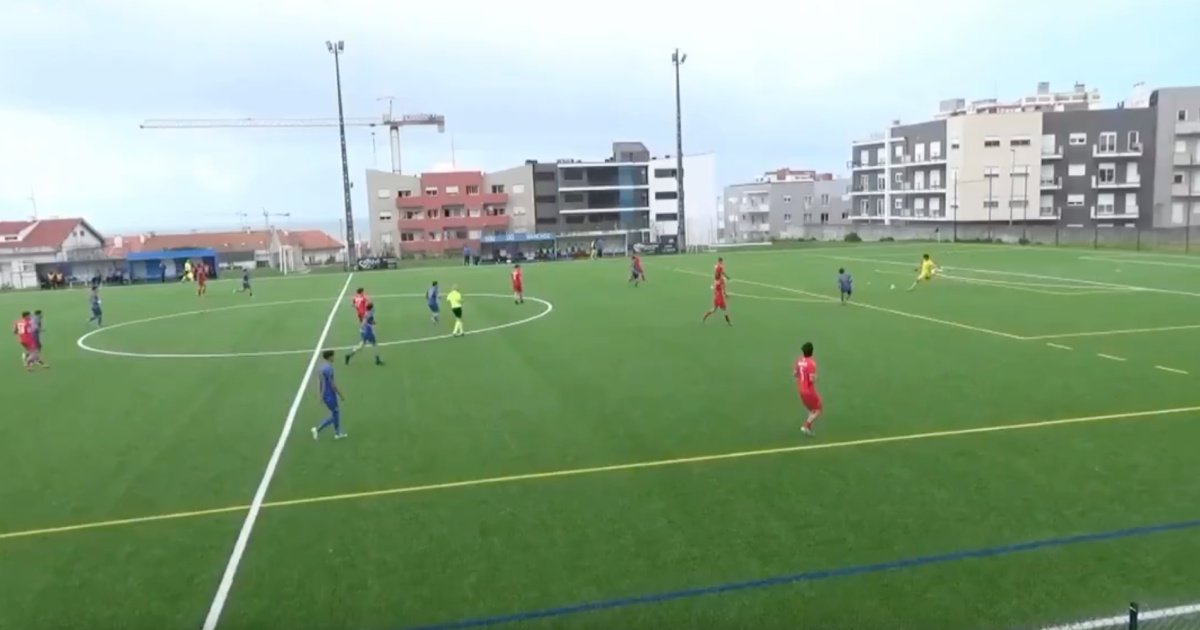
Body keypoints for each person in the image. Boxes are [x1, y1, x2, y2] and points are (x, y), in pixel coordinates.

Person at [311, 350, 347, 440]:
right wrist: (340, 394)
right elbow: (332, 384)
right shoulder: (329, 369)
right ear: (329, 357)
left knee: (335, 413)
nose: (334, 358)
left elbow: (322, 384)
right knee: (335, 414)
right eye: (333, 356)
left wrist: (321, 396)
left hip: (326, 395)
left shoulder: (322, 369)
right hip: (330, 395)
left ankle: (337, 433)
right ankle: (318, 429)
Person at [794, 341, 822, 436]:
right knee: (818, 409)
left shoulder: (799, 361)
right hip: (809, 391)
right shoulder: (811, 363)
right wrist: (816, 377)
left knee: (812, 410)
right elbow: (811, 379)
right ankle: (805, 426)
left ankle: (808, 429)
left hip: (801, 389)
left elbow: (795, 374)